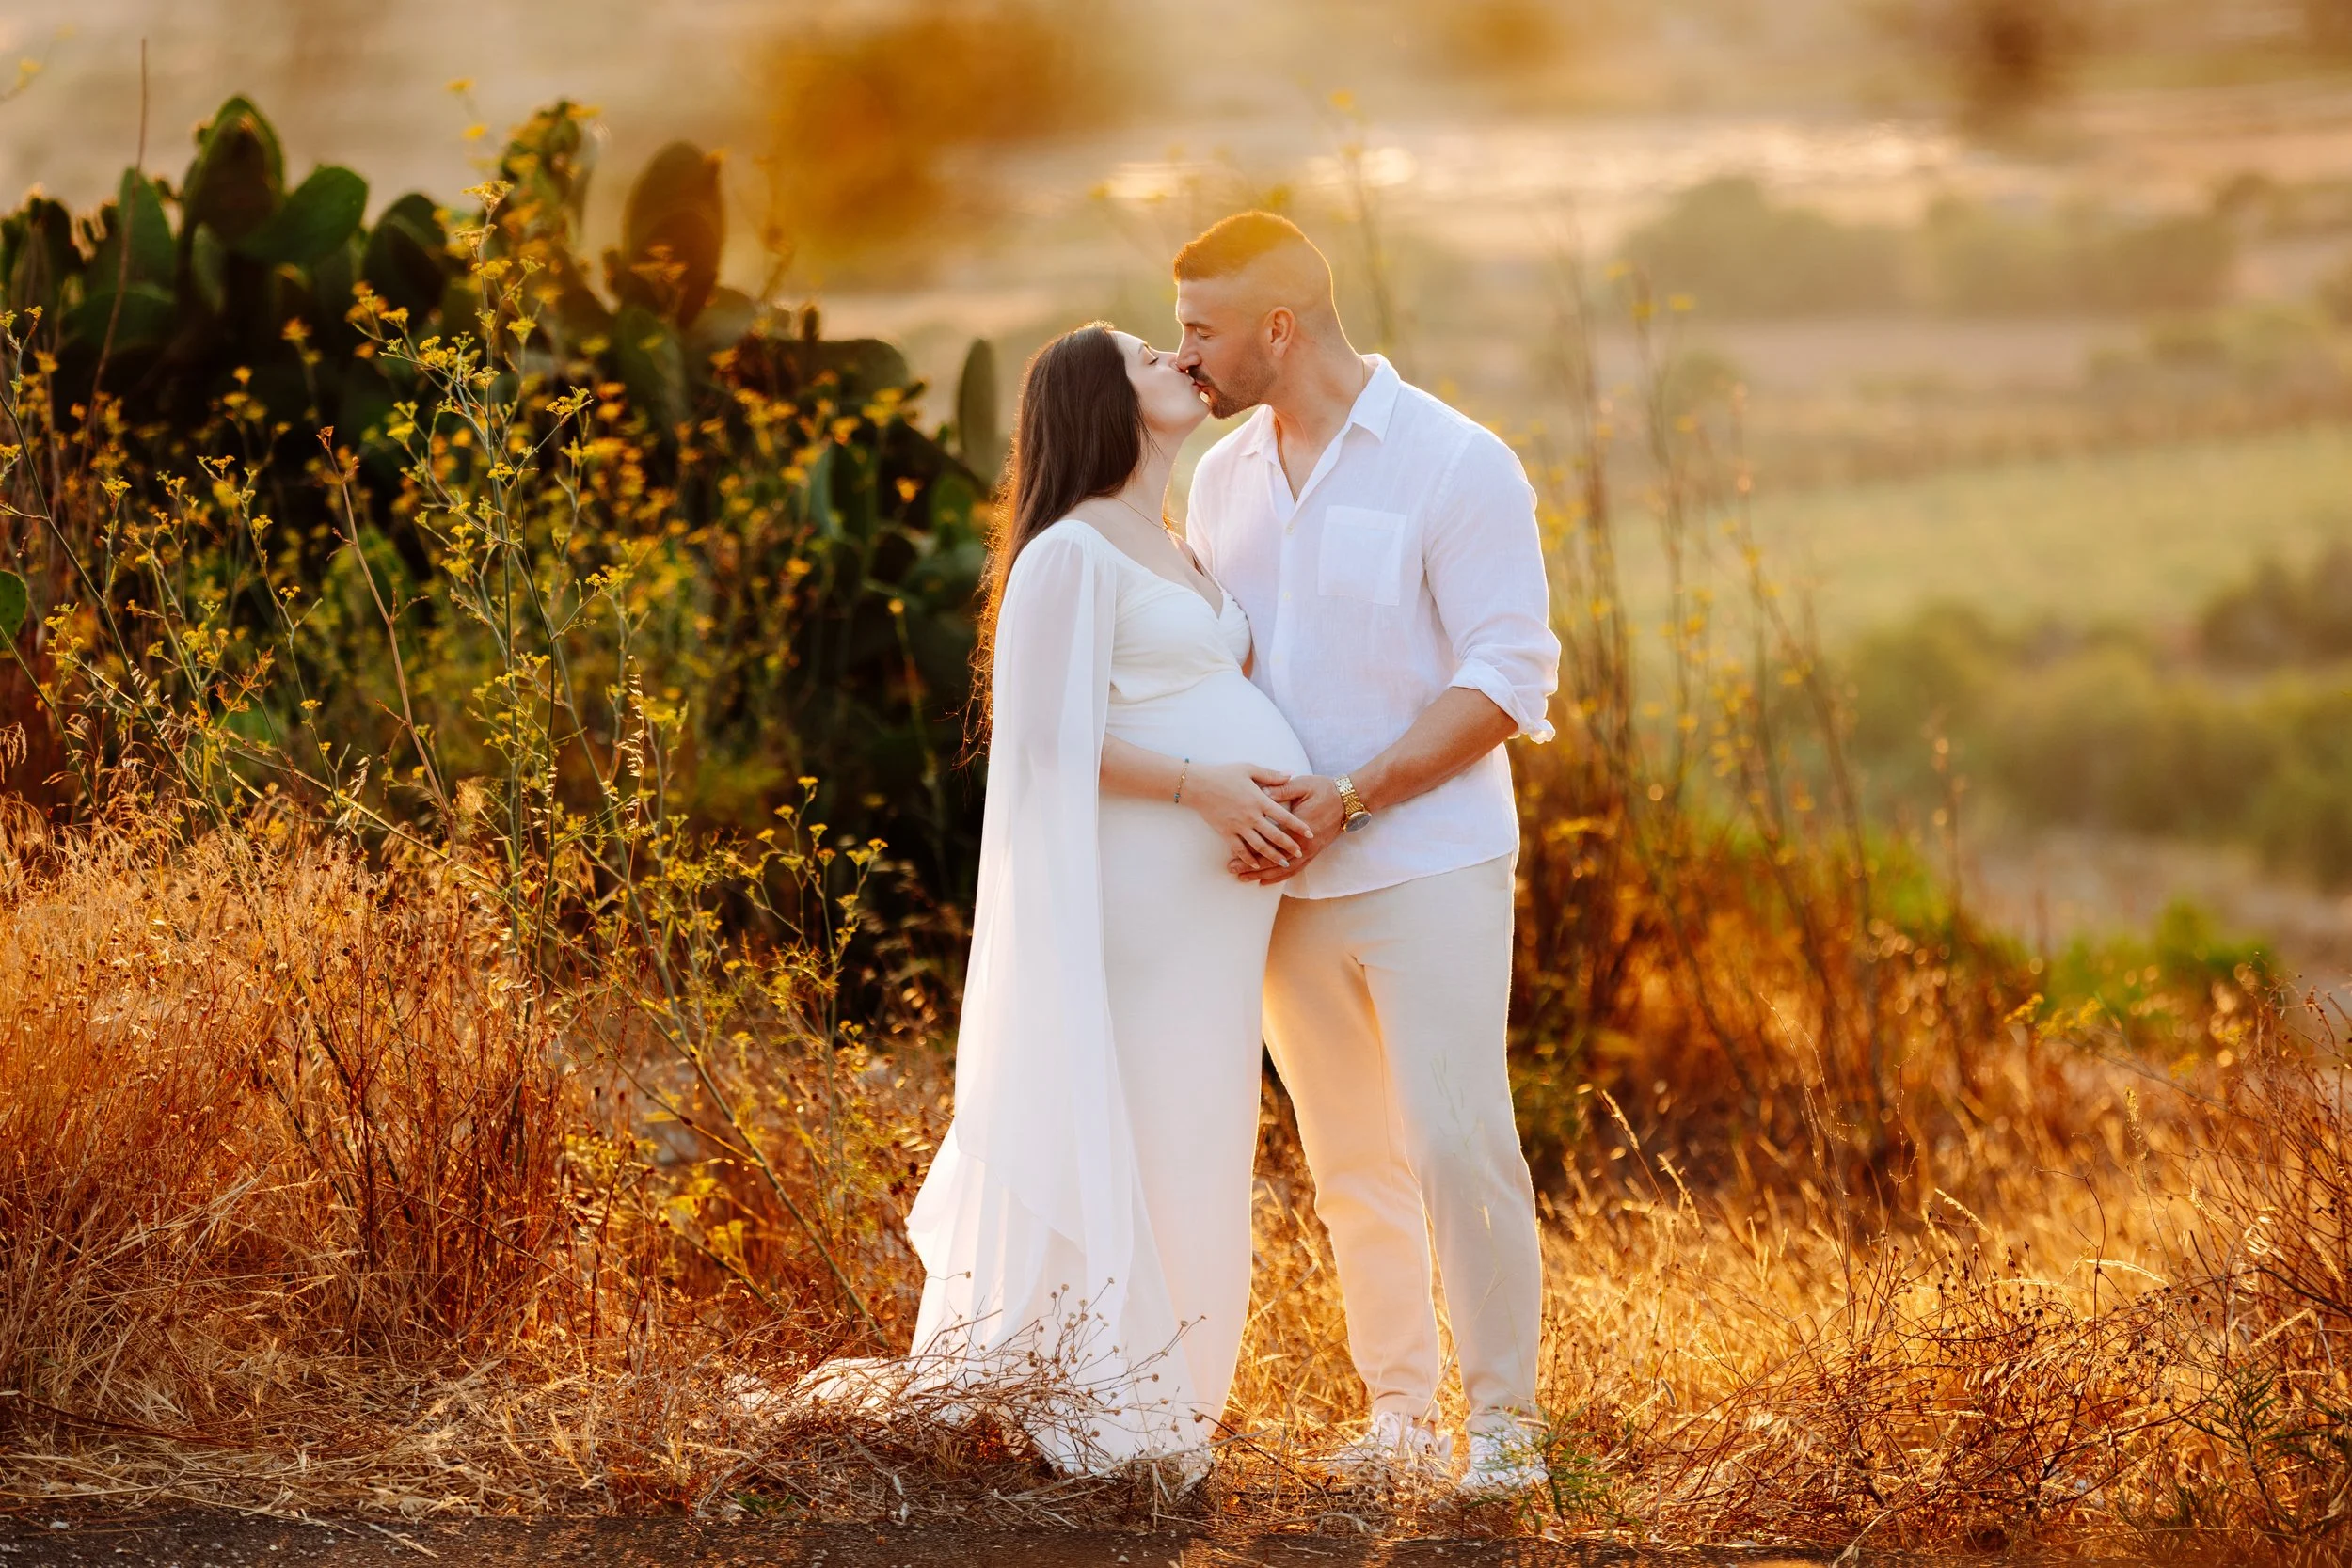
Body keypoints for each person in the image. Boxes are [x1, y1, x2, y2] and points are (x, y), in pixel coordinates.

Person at [1174, 211, 1562, 1497]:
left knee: (1459, 1142)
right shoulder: (1223, 476)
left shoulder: (1458, 461)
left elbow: (1509, 675)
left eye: (1203, 331)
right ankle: (1399, 1414)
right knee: (1350, 1164)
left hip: (1430, 862)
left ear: (1278, 328)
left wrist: (1352, 793)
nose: (1187, 358)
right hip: (1280, 887)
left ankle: (1504, 1427)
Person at [883, 322, 1313, 1477]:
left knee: (1197, 1126)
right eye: (1141, 355)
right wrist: (1204, 786)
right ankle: (1093, 1403)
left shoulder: (1170, 542)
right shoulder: (1070, 551)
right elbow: (1038, 741)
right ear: (1096, 404)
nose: (1174, 358)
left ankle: (1164, 1403)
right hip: (1137, 901)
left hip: (1208, 922)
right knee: (1137, 1113)